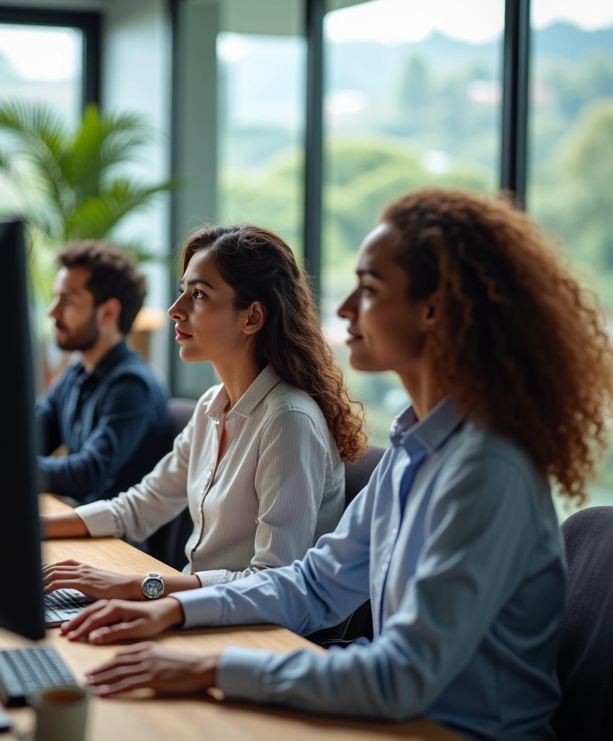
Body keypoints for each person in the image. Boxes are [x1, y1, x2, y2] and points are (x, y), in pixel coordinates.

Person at [61, 188, 613, 741]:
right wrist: (177, 610)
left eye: (369, 289)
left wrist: (211, 667)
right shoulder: (412, 450)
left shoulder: (486, 472)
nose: (345, 308)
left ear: (432, 309)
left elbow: (402, 676)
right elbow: (315, 583)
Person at [42, 225, 365, 598]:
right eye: (183, 291)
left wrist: (140, 586)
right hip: (195, 607)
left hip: (252, 625)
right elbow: (139, 508)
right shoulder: (212, 406)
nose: (174, 310)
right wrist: (28, 527)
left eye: (198, 294)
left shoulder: (288, 419)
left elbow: (273, 578)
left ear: (251, 317)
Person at [36, 241, 171, 504]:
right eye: (55, 298)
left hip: (113, 530)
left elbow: (88, 473)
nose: (52, 312)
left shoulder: (132, 385)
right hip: (80, 519)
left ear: (109, 312)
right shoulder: (75, 374)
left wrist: (9, 466)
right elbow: (32, 437)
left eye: (67, 300)